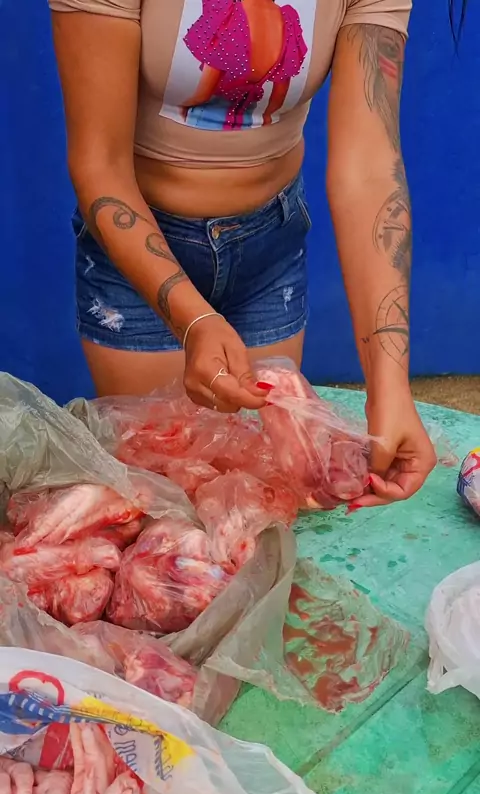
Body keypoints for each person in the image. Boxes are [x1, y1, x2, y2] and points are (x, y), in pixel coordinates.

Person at [48, 0, 440, 508]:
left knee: (266, 496)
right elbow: (99, 164)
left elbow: (368, 169)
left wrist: (389, 388)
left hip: (268, 249)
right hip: (141, 253)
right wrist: (193, 319)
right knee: (165, 501)